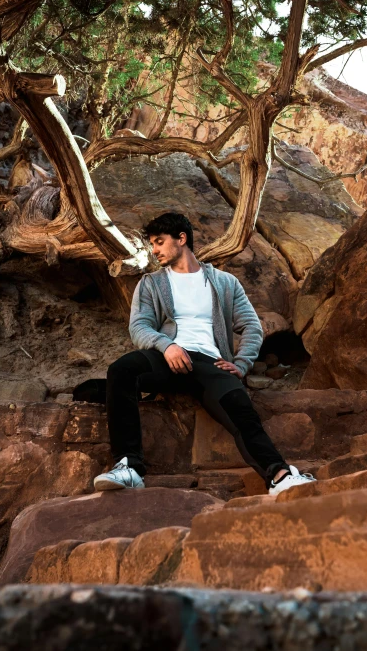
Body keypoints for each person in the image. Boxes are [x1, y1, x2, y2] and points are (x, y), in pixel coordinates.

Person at [94, 212, 315, 498]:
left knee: (239, 405)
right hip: (168, 358)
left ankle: (279, 476)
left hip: (211, 364)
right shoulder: (150, 283)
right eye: (152, 244)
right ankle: (129, 468)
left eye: (159, 242)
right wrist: (167, 346)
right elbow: (139, 326)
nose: (155, 250)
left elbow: (251, 325)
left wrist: (242, 363)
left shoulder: (225, 283)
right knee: (122, 370)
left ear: (182, 239)